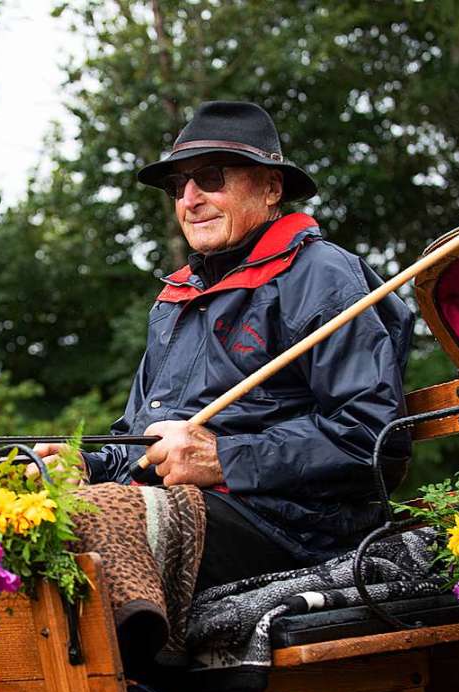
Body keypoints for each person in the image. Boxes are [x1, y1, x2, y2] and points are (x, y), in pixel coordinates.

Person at [36, 101, 414, 592]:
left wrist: (223, 457)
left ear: (271, 187)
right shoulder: (175, 300)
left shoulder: (323, 276)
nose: (189, 199)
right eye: (178, 186)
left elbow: (375, 442)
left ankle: (136, 671)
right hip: (180, 507)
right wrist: (86, 464)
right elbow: (137, 443)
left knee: (89, 526)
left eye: (211, 177)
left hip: (293, 526)